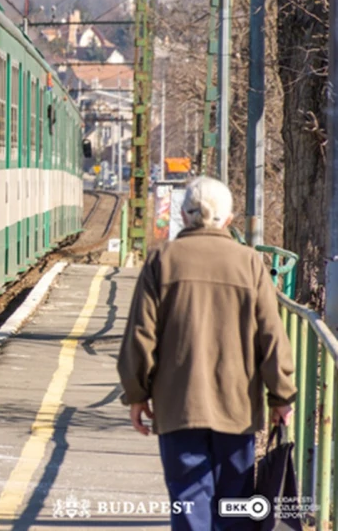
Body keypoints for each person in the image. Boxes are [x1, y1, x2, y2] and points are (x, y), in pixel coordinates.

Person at [117, 176, 296, 531]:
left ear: (184, 215)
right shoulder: (250, 263)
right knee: (235, 504)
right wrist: (281, 395)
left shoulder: (162, 260)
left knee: (188, 501)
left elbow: (140, 335)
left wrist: (137, 394)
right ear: (228, 220)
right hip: (237, 407)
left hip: (178, 406)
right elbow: (272, 336)